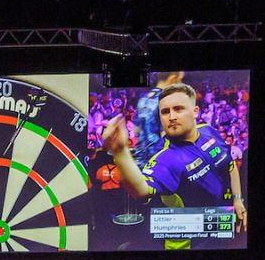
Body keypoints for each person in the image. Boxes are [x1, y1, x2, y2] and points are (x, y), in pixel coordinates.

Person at [100, 81, 246, 246]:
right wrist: (121, 153)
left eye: (178, 109)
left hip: (226, 227)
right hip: (191, 244)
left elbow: (230, 166)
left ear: (195, 111)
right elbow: (141, 190)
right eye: (165, 112)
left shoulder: (209, 131)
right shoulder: (165, 157)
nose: (172, 117)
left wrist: (238, 199)